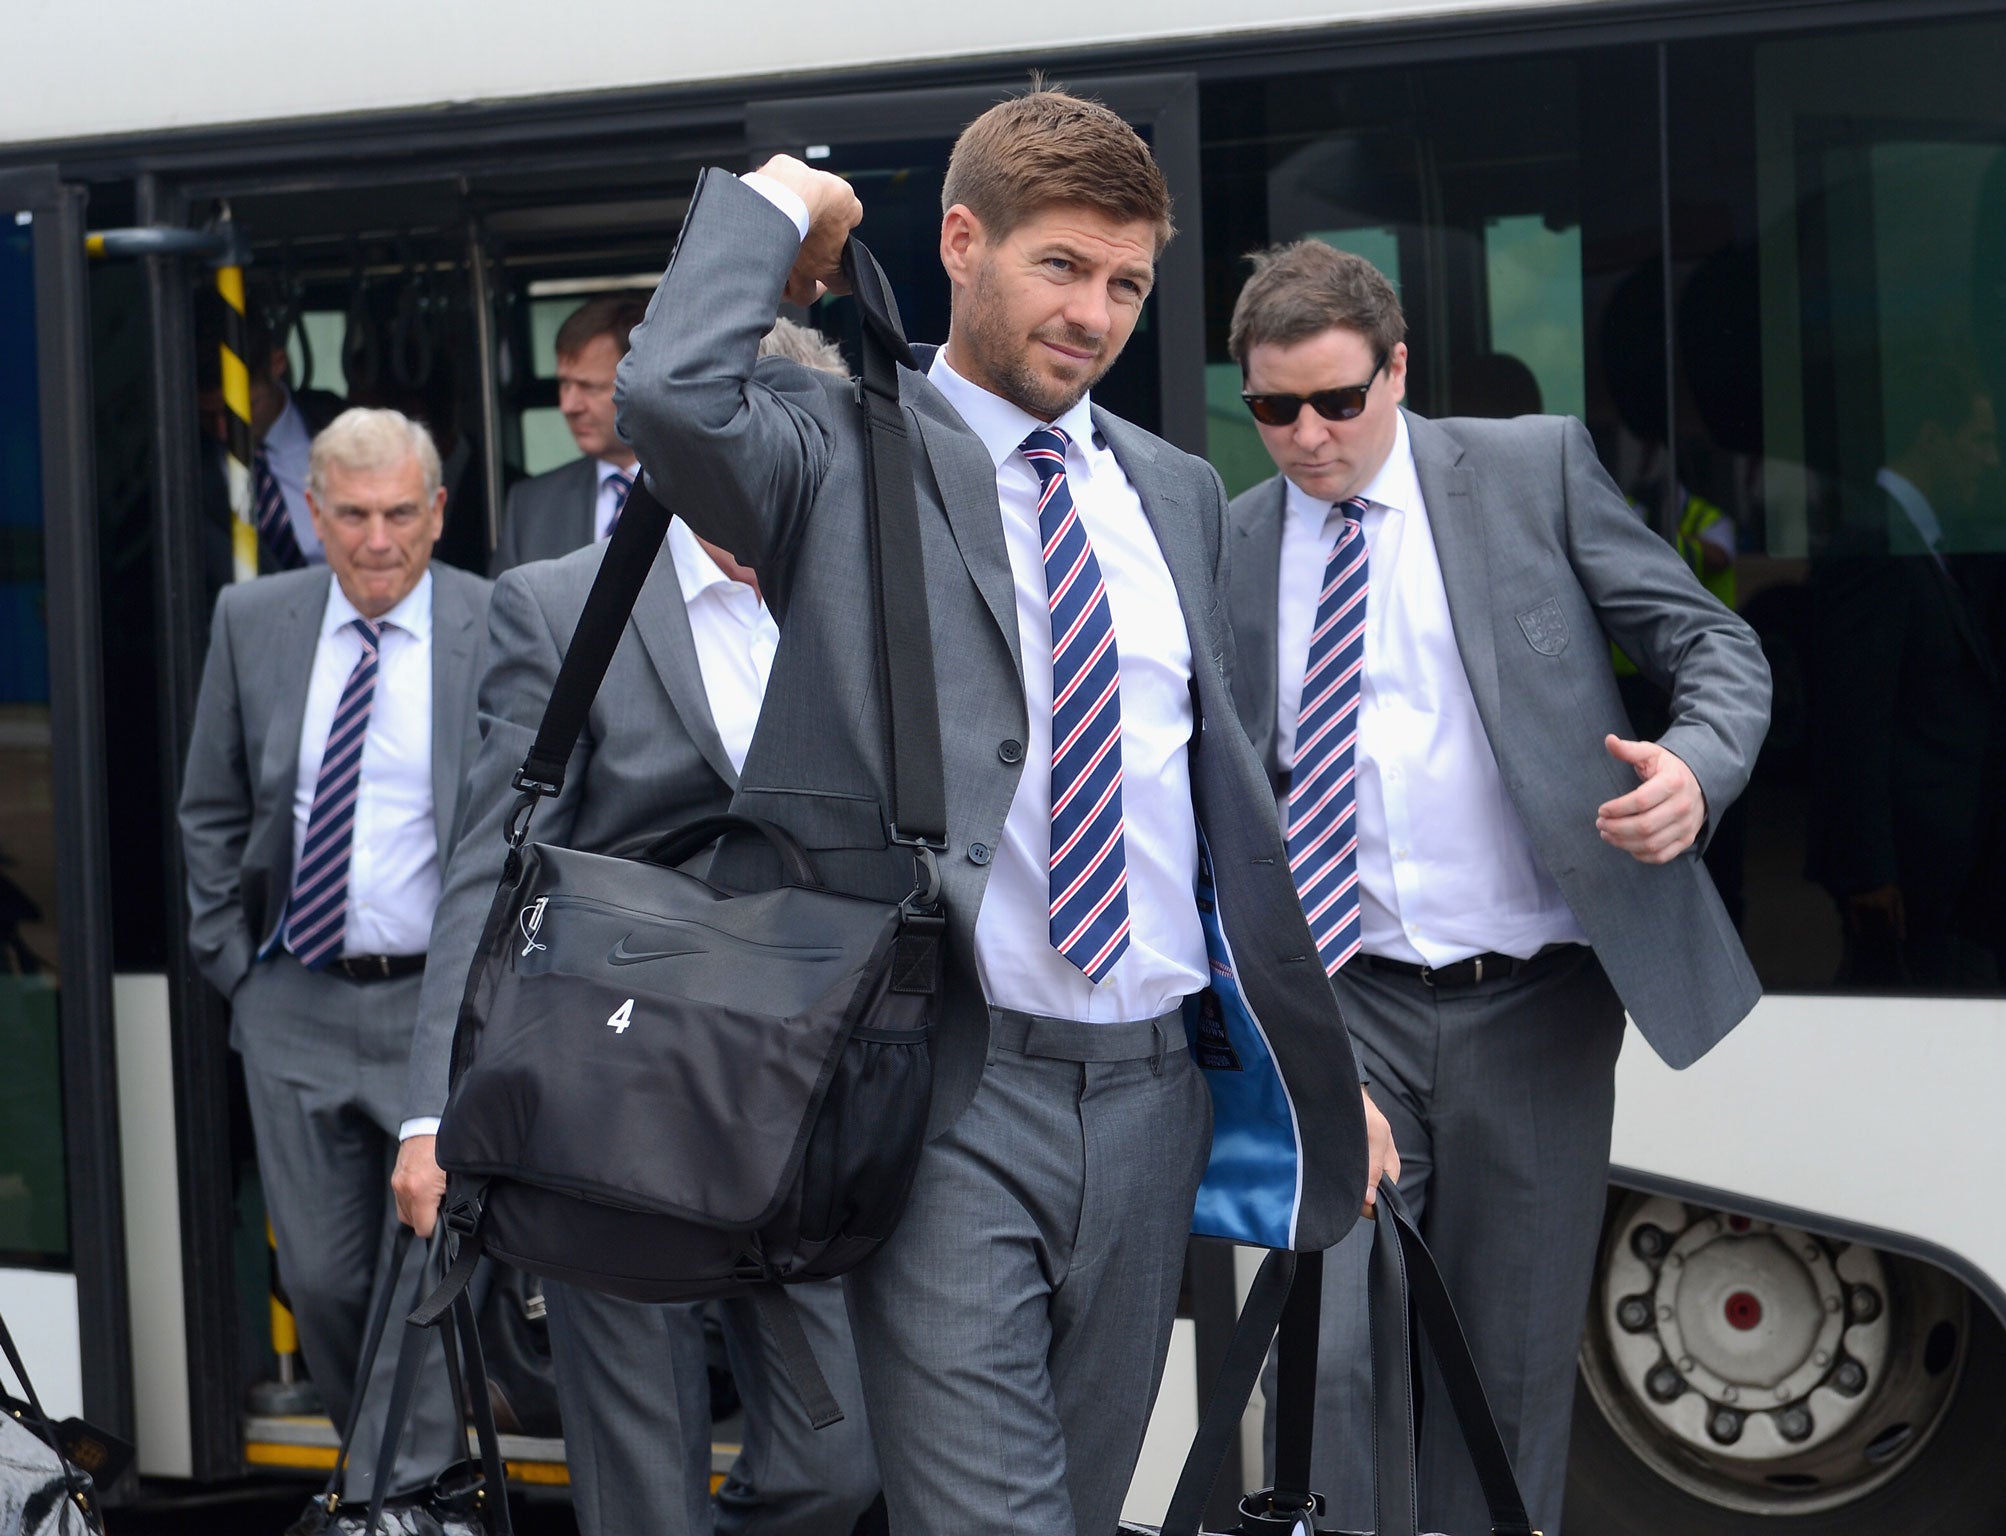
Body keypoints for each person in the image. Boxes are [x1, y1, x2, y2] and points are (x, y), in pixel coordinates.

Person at [610, 89, 1384, 1536]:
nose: (1096, 312)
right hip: (954, 1091)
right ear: (962, 243)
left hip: (1155, 1097)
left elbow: (1210, 815)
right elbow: (665, 400)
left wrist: (1311, 1068)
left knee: (1084, 1515)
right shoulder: (835, 451)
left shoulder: (1173, 488)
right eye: (1061, 267)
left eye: (1127, 283)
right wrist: (784, 195)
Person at [1222, 239, 1771, 1536]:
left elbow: (1716, 644)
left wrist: (1693, 770)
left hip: (1535, 1006)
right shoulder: (1229, 539)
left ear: (1398, 370)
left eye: (1337, 402)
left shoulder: (1533, 472)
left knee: (1509, 1372)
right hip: (1339, 1007)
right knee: (1332, 1364)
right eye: (1272, 410)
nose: (1307, 437)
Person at [393, 325, 880, 1536]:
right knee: (639, 1486)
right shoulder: (559, 606)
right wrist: (430, 1110)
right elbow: (485, 867)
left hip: (803, 1095)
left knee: (844, 1462)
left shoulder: (879, 605)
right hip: (606, 1094)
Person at [177, 408, 494, 1522]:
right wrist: (234, 967)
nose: (375, 540)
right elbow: (210, 806)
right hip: (295, 999)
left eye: (400, 514)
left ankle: (394, 1498)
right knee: (320, 1275)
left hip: (435, 1009)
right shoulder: (252, 619)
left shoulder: (493, 624)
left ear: (437, 513)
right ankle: (401, 1485)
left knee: (422, 1264)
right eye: (351, 516)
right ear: (312, 515)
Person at [1808, 354, 2001, 989]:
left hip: (1936, 879)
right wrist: (1871, 875)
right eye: (1980, 441)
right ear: (1931, 439)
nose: (1992, 462)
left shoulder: (1918, 539)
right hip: (1903, 890)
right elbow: (1853, 719)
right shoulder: (1875, 544)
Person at [489, 293, 647, 576]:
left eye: (590, 387)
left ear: (642, 383)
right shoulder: (530, 506)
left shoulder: (705, 490)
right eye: (564, 384)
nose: (568, 406)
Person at [197, 297, 348, 591]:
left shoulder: (346, 428)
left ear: (278, 363)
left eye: (242, 409)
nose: (223, 431)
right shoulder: (185, 466)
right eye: (207, 414)